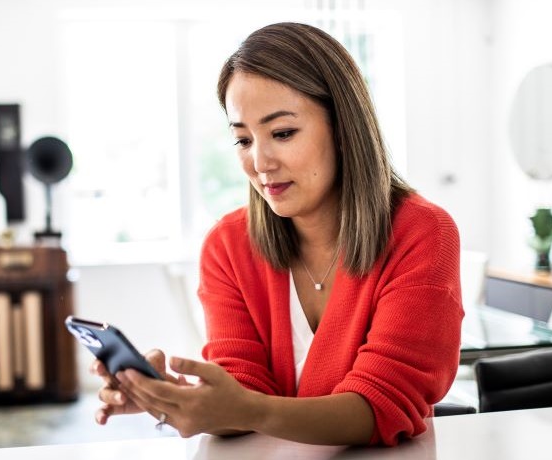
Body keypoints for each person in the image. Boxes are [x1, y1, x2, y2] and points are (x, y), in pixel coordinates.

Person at [90, 22, 463, 447]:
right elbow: (242, 389)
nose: (260, 162)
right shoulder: (227, 246)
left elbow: (383, 404)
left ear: (344, 129)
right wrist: (175, 397)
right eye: (243, 140)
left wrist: (247, 409)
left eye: (282, 133)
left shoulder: (422, 233)